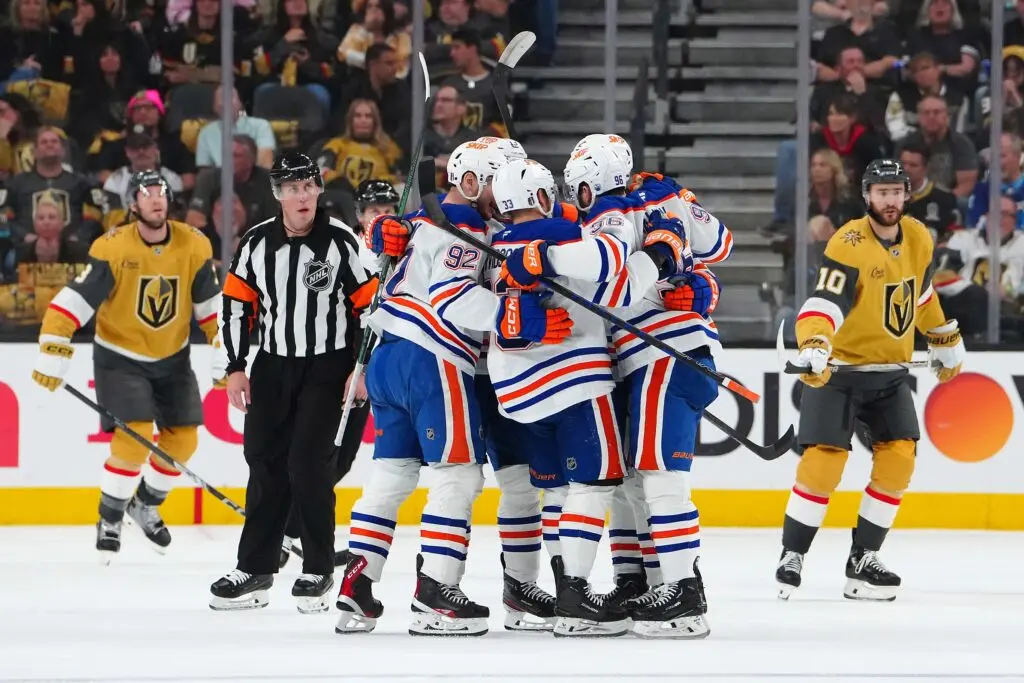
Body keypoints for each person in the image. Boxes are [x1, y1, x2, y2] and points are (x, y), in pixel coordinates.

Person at [333, 141, 572, 637]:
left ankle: (358, 582)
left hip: (390, 355)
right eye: (497, 183)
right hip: (433, 357)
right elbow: (452, 296)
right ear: (470, 182)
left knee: (392, 473)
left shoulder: (426, 220)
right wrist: (517, 318)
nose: (505, 194)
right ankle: (435, 592)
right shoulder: (464, 226)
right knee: (459, 474)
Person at [779, 158, 966, 601]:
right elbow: (825, 301)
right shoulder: (849, 242)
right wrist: (815, 342)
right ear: (867, 196)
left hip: (889, 374)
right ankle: (793, 554)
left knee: (899, 460)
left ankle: (864, 559)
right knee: (823, 464)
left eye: (896, 191)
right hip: (839, 372)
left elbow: (918, 295)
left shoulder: (919, 236)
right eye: (882, 192)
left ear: (906, 195)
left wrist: (943, 336)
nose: (890, 200)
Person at [210, 152, 377, 613]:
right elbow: (235, 307)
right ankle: (255, 568)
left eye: (307, 186)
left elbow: (370, 309)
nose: (301, 196)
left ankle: (318, 568)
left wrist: (362, 367)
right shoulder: (256, 242)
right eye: (291, 188)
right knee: (263, 463)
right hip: (272, 367)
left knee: (308, 464)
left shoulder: (342, 241)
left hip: (328, 368)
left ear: (319, 189)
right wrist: (236, 366)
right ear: (277, 194)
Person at [31, 170, 221, 563]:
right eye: (146, 193)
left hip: (173, 357)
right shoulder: (112, 247)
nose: (156, 198)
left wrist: (225, 347)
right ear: (132, 204)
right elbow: (73, 302)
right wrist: (53, 344)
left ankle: (145, 505)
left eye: (161, 192)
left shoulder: (194, 244)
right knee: (135, 435)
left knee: (184, 440)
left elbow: (210, 308)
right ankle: (110, 517)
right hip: (120, 358)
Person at [277, 178, 397, 569]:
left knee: (340, 460)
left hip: (375, 369)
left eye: (388, 210)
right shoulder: (349, 249)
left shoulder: (408, 253)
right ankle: (284, 528)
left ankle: (287, 528)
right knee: (320, 456)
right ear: (361, 215)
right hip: (339, 366)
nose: (382, 217)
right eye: (374, 211)